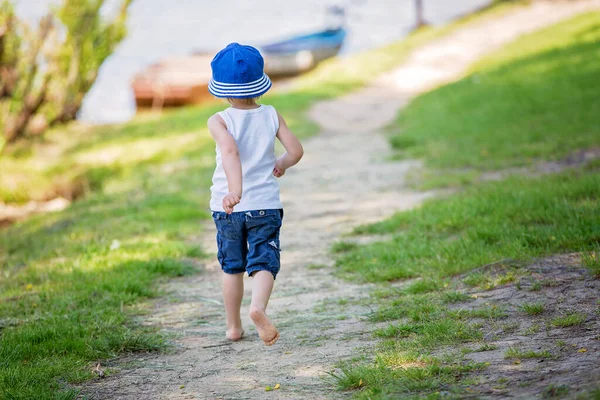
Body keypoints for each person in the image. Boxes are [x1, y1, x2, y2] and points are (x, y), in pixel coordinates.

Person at [207, 43, 304, 346]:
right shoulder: (272, 115)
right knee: (264, 260)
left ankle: (233, 327)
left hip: (228, 209)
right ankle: (258, 308)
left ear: (223, 91)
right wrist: (280, 164)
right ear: (259, 85)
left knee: (232, 267)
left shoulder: (219, 120)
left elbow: (230, 151)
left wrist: (235, 190)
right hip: (265, 205)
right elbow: (296, 151)